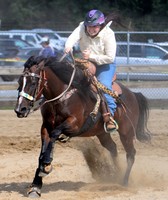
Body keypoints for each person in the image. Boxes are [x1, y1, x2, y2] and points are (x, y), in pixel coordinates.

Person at [64, 9, 118, 132]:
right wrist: (68, 46)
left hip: (106, 64)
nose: (91, 29)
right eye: (89, 26)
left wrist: (91, 57)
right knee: (71, 79)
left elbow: (110, 57)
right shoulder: (82, 27)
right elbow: (73, 37)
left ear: (100, 25)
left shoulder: (109, 34)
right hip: (87, 62)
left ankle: (110, 117)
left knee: (103, 86)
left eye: (94, 27)